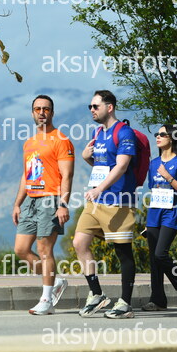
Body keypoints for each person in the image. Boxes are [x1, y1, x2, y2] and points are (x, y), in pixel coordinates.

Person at [73, 90, 138, 319]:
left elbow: (121, 166)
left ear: (109, 107)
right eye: (90, 106)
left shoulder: (125, 132)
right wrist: (86, 157)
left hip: (118, 200)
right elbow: (103, 165)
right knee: (79, 243)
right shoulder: (98, 132)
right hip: (95, 201)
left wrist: (99, 188)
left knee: (123, 252)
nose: (91, 110)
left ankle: (125, 303)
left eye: (95, 106)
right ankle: (97, 294)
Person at [12, 95, 73, 315]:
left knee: (44, 250)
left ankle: (46, 300)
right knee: (21, 249)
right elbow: (26, 175)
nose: (41, 112)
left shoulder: (61, 140)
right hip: (31, 200)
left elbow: (67, 175)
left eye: (46, 109)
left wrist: (63, 204)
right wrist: (18, 203)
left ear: (52, 113)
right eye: (37, 109)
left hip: (51, 199)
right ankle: (54, 281)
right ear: (32, 113)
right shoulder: (29, 143)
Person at [142, 124, 177, 311]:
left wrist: (168, 177)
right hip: (155, 212)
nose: (158, 136)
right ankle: (157, 300)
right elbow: (153, 189)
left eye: (162, 134)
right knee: (154, 259)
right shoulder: (154, 163)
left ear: (172, 138)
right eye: (157, 134)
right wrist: (149, 222)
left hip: (172, 212)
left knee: (160, 254)